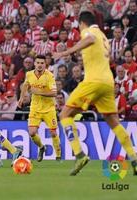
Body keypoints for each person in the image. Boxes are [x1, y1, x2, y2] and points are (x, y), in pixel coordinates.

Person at [53, 11, 137, 176]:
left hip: (93, 81)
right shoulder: (104, 36)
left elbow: (89, 39)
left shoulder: (88, 32)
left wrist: (65, 52)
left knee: (64, 115)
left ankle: (79, 155)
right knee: (113, 122)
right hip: (107, 83)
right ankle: (134, 158)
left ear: (81, 23)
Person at [18, 55, 61, 162]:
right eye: (38, 63)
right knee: (32, 133)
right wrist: (21, 98)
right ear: (35, 64)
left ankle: (58, 156)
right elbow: (25, 85)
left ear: (45, 64)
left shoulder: (49, 76)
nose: (40, 65)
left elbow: (54, 93)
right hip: (35, 108)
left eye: (42, 63)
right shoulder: (29, 74)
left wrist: (38, 92)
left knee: (53, 133)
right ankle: (42, 147)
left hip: (49, 108)